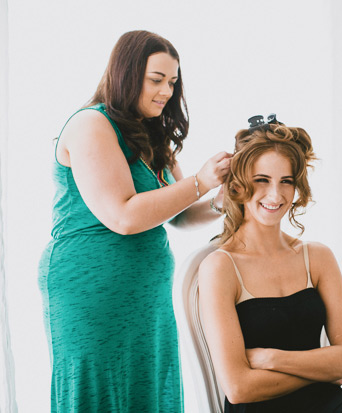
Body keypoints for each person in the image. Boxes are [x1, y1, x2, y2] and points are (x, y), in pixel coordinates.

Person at [38, 30, 231, 412]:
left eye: (173, 82)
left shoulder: (152, 132)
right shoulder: (91, 124)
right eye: (156, 79)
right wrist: (200, 182)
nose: (166, 92)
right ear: (126, 75)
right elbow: (123, 217)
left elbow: (177, 214)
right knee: (98, 393)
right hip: (90, 292)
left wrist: (223, 201)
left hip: (146, 297)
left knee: (148, 390)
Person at [198, 115, 342, 412]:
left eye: (286, 182)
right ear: (238, 185)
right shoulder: (220, 267)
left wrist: (272, 359)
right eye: (261, 180)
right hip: (259, 405)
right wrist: (323, 369)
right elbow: (238, 388)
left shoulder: (317, 257)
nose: (275, 195)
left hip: (325, 401)